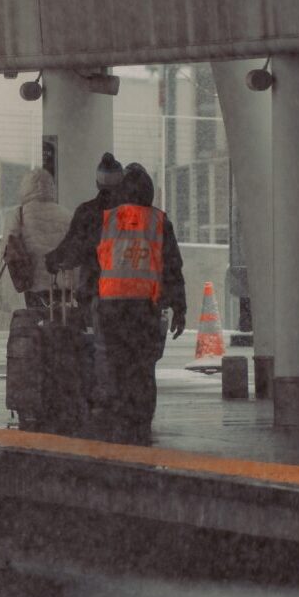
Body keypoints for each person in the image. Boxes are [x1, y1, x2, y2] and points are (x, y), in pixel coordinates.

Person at [92, 162, 187, 444]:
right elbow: (172, 268)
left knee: (118, 364)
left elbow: (90, 259)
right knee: (143, 366)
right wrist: (179, 307)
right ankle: (141, 419)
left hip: (112, 307)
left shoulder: (107, 220)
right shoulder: (159, 222)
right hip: (145, 308)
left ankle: (122, 419)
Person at [45, 152, 125, 300]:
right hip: (125, 292)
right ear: (121, 183)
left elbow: (74, 246)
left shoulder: (86, 211)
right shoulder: (131, 215)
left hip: (92, 288)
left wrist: (54, 258)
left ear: (97, 183)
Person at [1, 168, 76, 308]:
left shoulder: (18, 215)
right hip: (63, 286)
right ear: (51, 187)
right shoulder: (68, 216)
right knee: (61, 324)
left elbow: (6, 251)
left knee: (36, 325)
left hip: (32, 285)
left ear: (25, 189)